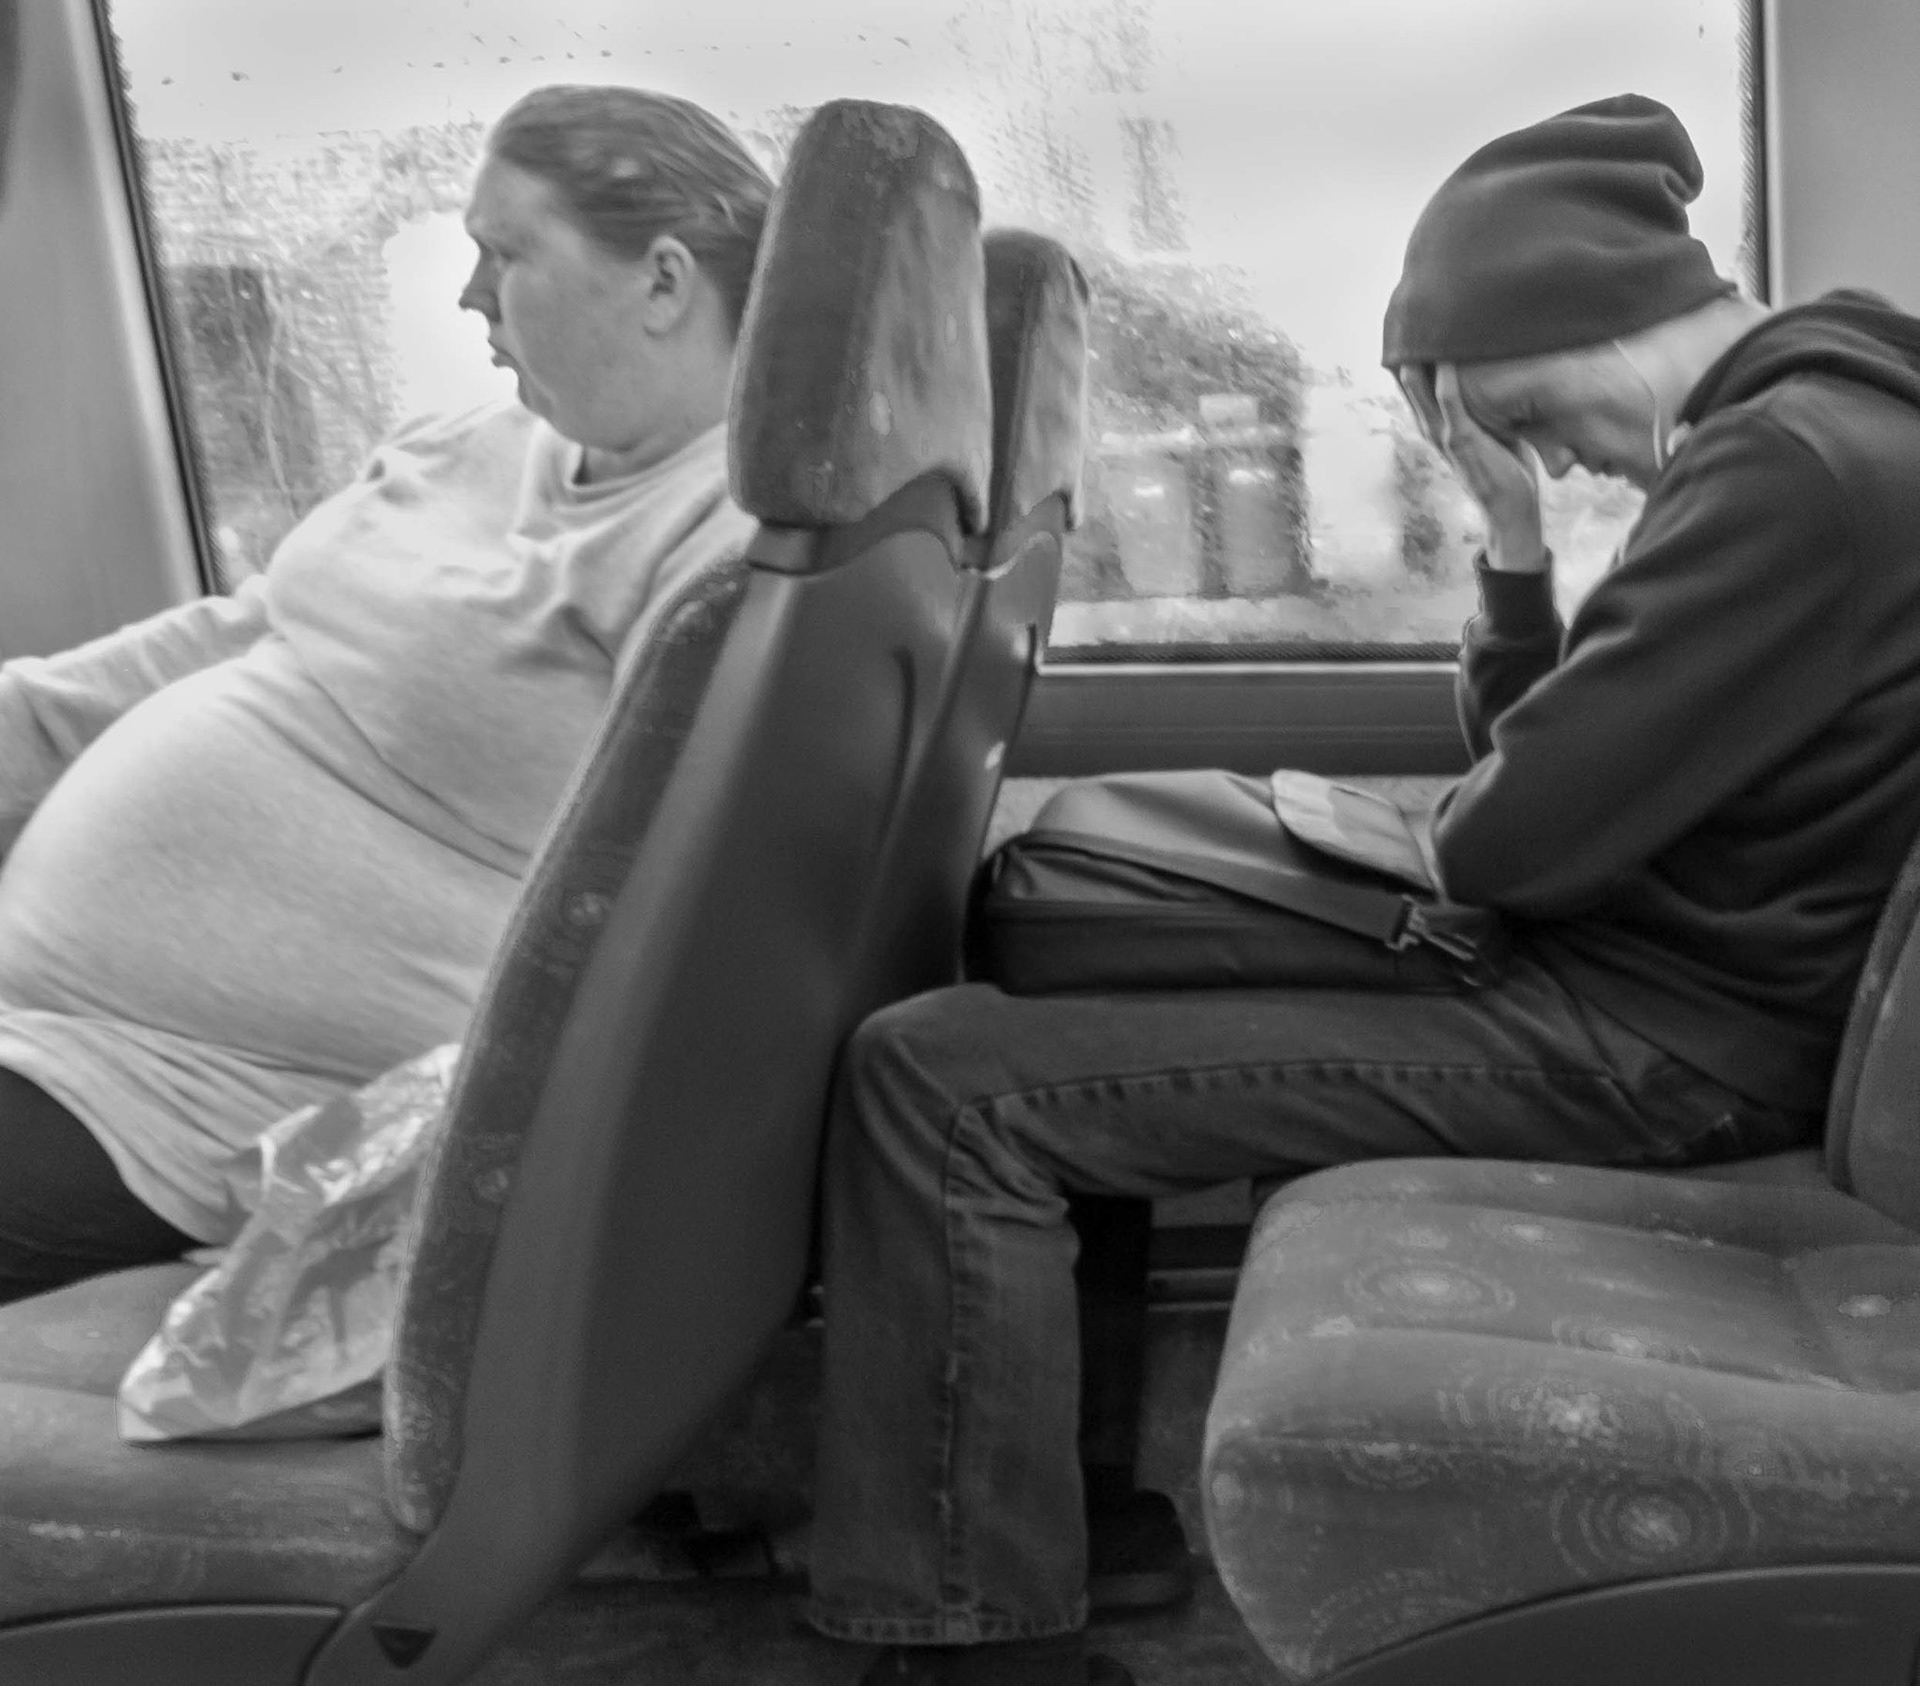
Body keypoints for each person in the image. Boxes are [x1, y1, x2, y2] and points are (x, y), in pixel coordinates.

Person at [804, 93, 1920, 1686]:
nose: (1525, 453)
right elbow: (1546, 780)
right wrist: (1516, 553)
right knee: (1068, 969)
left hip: (1668, 1041)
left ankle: (973, 1637)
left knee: (940, 1082)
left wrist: (1499, 760)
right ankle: (1068, 1538)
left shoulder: (1790, 473)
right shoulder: (1824, 434)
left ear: (1571, 321)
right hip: (1656, 988)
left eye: (1501, 419)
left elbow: (1505, 839)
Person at [0, 85, 772, 1304]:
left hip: (197, 1089)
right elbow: (248, 633)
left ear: (664, 281)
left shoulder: (727, 543)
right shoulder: (474, 443)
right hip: (56, 1019)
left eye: (506, 253)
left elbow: (663, 917)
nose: (471, 294)